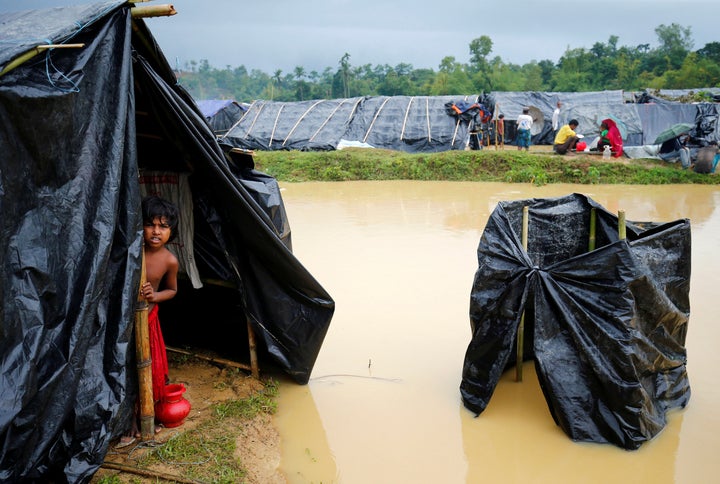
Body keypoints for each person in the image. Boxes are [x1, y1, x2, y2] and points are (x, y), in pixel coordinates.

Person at [117, 195, 180, 448]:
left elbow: (172, 291)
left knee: (149, 368)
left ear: (171, 231)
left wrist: (155, 295)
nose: (156, 231)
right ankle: (127, 419)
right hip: (125, 317)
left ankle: (146, 414)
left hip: (149, 318)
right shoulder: (132, 251)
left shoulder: (169, 260)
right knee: (126, 365)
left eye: (163, 226)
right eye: (150, 224)